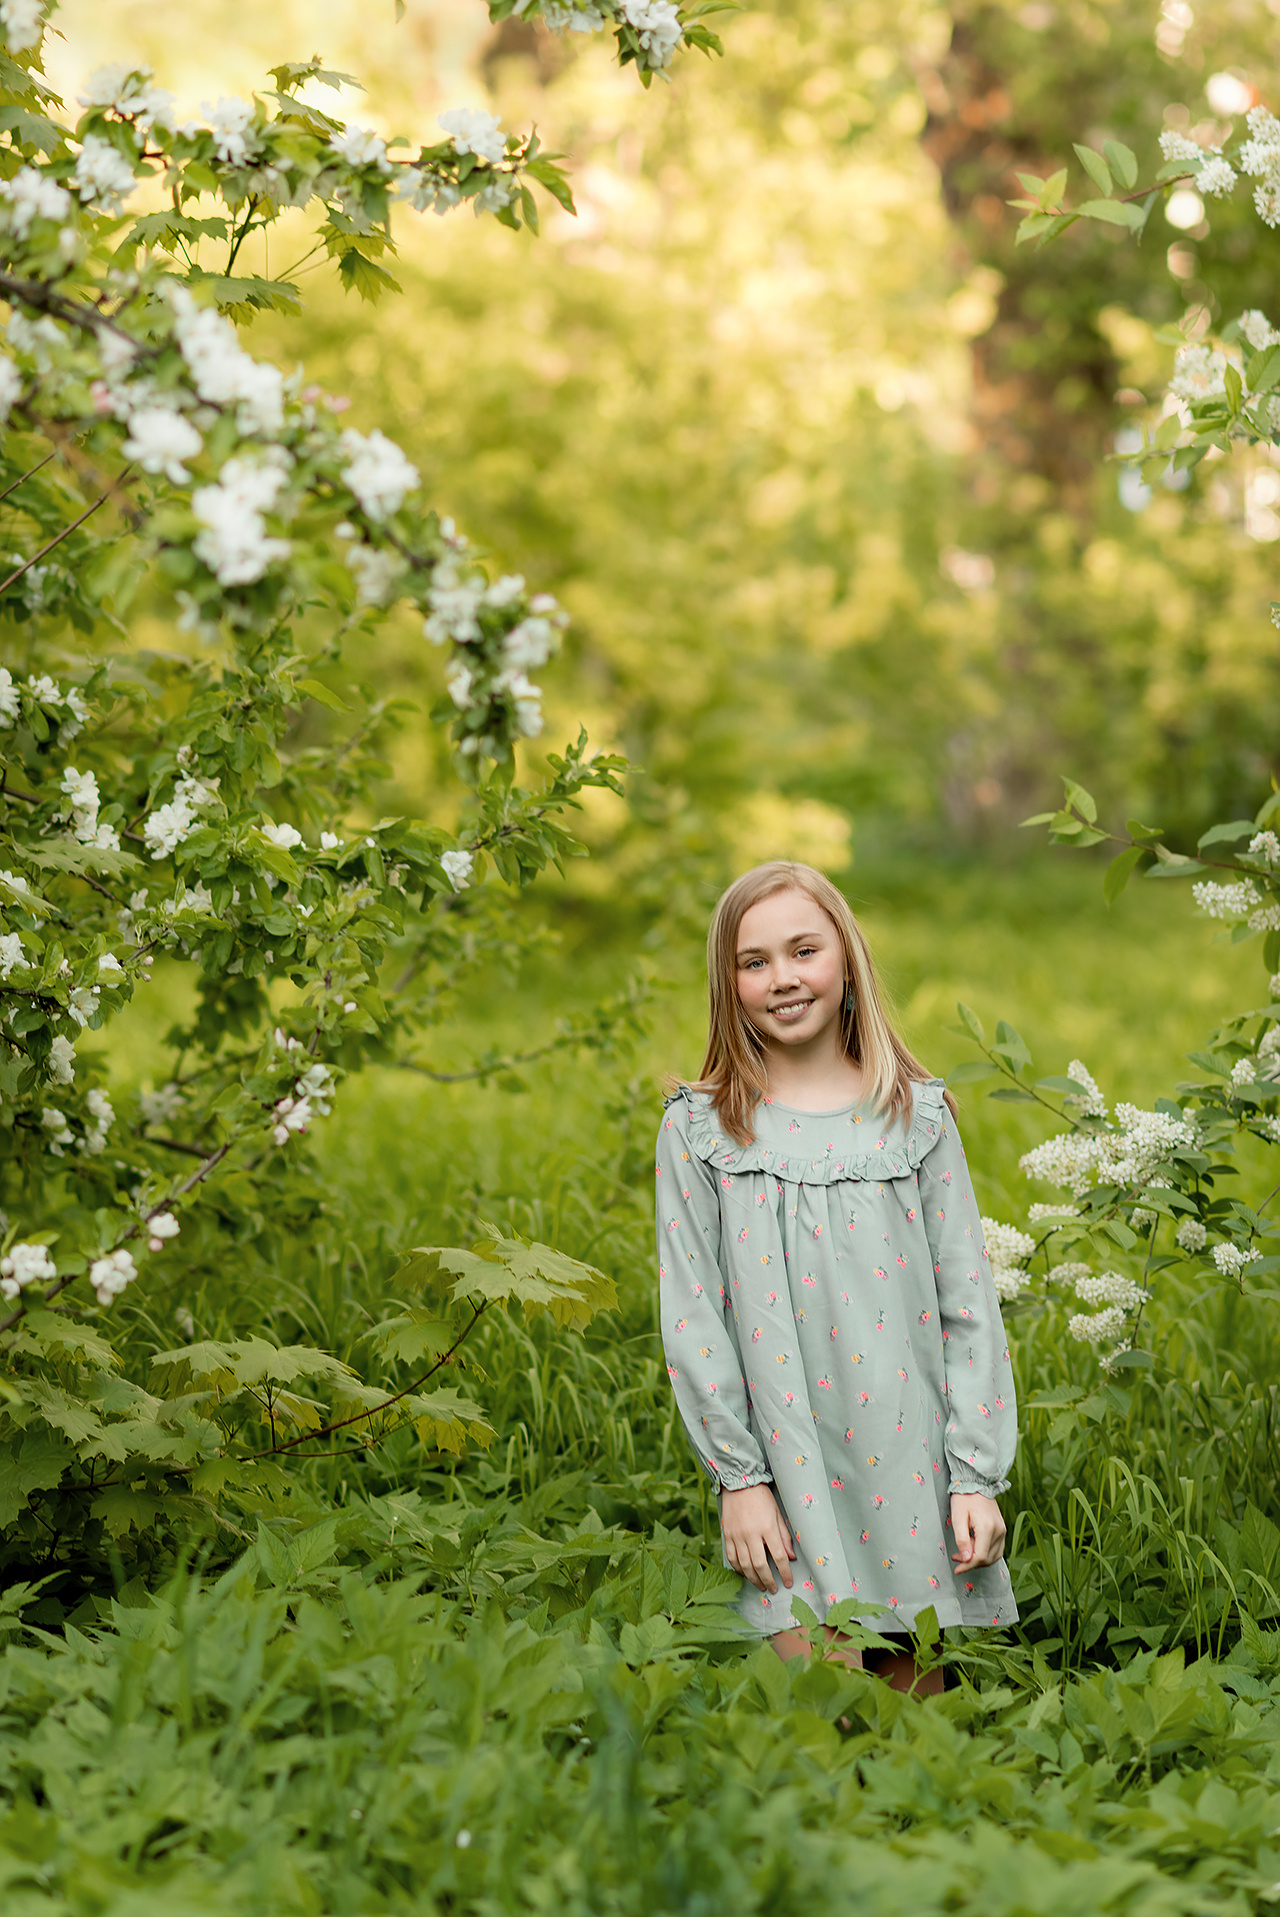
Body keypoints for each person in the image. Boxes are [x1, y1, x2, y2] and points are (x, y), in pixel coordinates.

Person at [656, 861, 1016, 1696]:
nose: (782, 978)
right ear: (729, 983)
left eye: (803, 950)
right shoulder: (703, 1132)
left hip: (909, 1469)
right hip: (787, 1472)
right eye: (754, 961)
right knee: (826, 1719)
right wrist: (739, 1481)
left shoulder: (916, 1119)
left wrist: (975, 1475)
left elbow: (970, 1309)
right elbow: (694, 1317)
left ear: (845, 959)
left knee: (909, 1734)